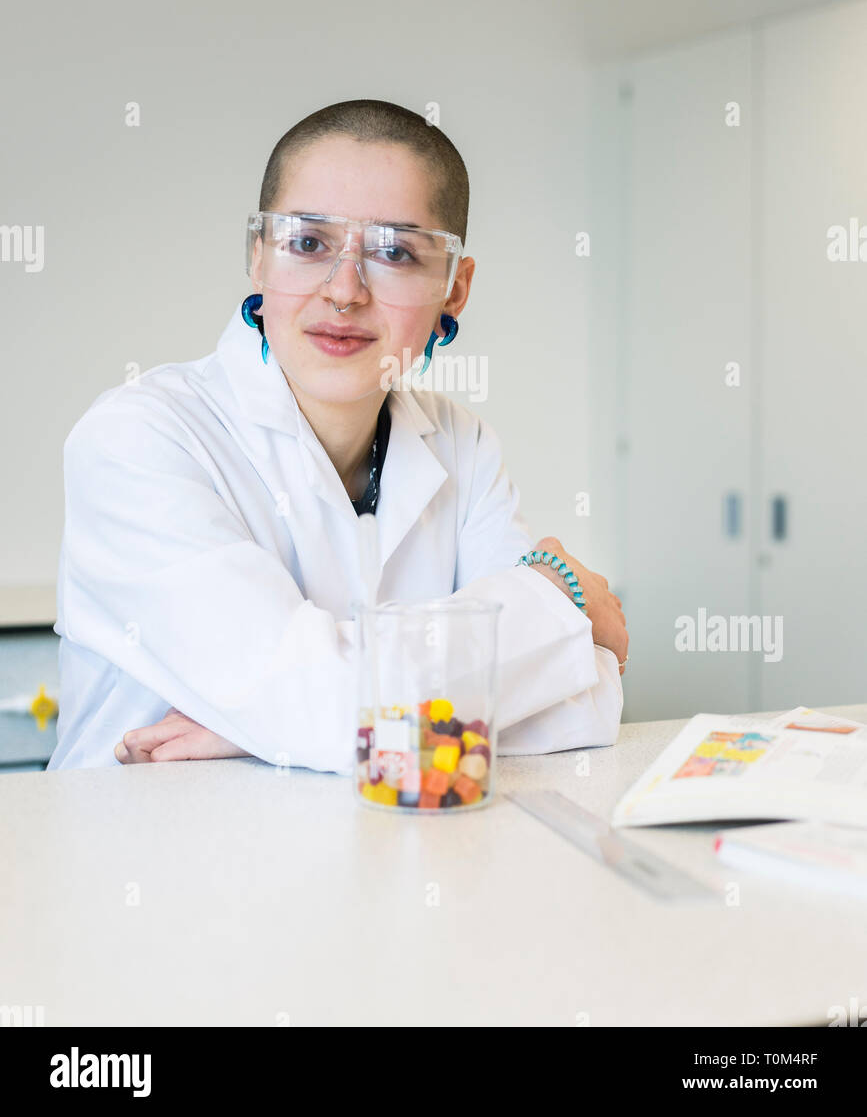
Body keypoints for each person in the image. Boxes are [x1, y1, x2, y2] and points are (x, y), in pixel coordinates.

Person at [47, 99, 628, 772]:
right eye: (307, 243)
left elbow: (585, 705)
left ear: (453, 287)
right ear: (258, 257)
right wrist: (558, 595)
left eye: (395, 252)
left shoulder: (461, 445)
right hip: (145, 859)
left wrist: (263, 724)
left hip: (383, 859)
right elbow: (317, 710)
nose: (344, 291)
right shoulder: (139, 438)